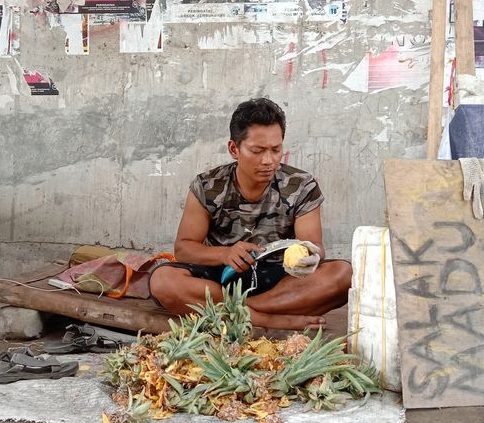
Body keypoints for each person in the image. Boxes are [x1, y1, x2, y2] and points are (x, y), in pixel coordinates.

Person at [149, 98, 351, 330]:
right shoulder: (208, 186)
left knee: (344, 275)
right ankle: (268, 319)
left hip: (281, 282)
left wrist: (310, 255)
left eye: (276, 150)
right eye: (257, 151)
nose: (269, 160)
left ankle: (243, 311)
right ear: (234, 149)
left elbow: (315, 246)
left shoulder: (301, 186)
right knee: (162, 280)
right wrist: (225, 254)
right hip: (221, 277)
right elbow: (184, 248)